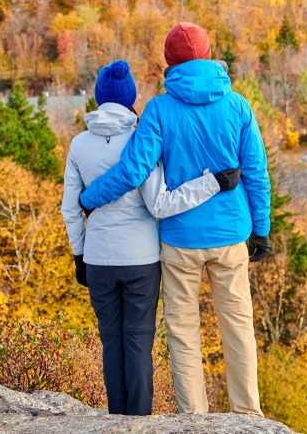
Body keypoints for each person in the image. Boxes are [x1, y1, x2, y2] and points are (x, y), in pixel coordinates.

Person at [79, 23, 271, 416]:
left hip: (181, 241)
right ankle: (247, 415)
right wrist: (262, 229)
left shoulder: (160, 111)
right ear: (208, 53)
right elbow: (256, 171)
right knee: (238, 327)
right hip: (231, 234)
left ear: (169, 62)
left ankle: (194, 418)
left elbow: (133, 171)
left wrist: (89, 197)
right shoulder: (237, 106)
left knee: (184, 334)